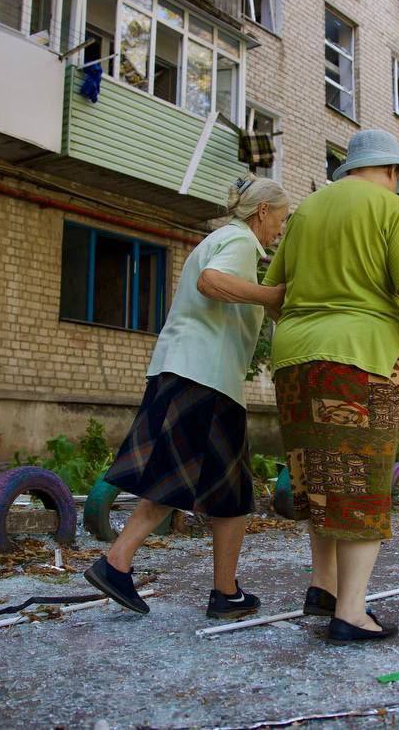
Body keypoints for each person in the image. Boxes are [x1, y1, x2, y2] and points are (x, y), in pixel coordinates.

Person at [265, 129, 399, 644]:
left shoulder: (305, 212)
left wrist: (309, 320)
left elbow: (275, 293)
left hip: (294, 360)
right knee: (361, 483)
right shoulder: (390, 210)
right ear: (390, 172)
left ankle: (322, 588)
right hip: (358, 362)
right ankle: (351, 613)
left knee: (319, 477)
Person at [83, 176, 289, 619]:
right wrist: (273, 295)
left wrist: (269, 306)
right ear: (262, 212)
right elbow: (212, 284)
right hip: (202, 376)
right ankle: (116, 562)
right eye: (281, 219)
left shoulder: (224, 240)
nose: (281, 230)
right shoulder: (238, 240)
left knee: (230, 492)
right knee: (173, 475)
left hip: (203, 375)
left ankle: (225, 591)